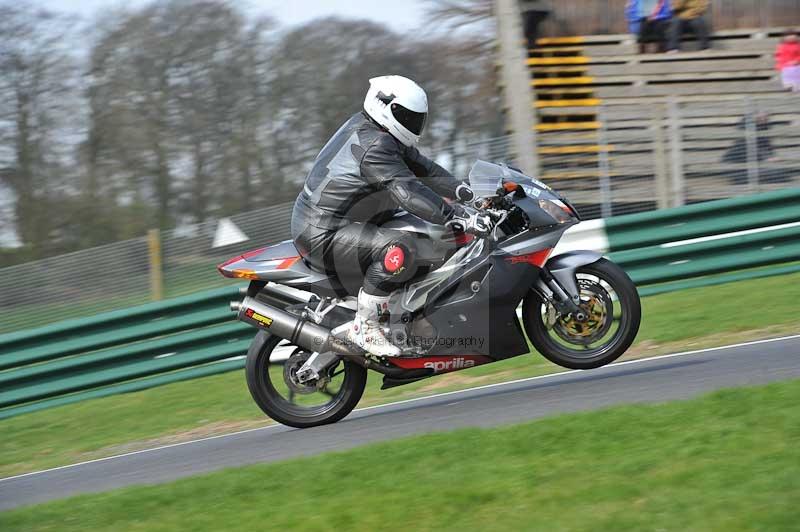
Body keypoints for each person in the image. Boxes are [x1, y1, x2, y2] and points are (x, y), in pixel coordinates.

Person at [291, 75, 492, 357]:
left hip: (351, 220)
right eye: (408, 117)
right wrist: (457, 216)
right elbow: (407, 192)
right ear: (386, 108)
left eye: (417, 118)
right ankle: (366, 326)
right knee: (399, 247)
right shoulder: (375, 146)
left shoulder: (381, 133)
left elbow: (426, 169)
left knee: (432, 238)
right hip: (323, 231)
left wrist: (468, 195)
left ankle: (411, 316)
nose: (414, 123)